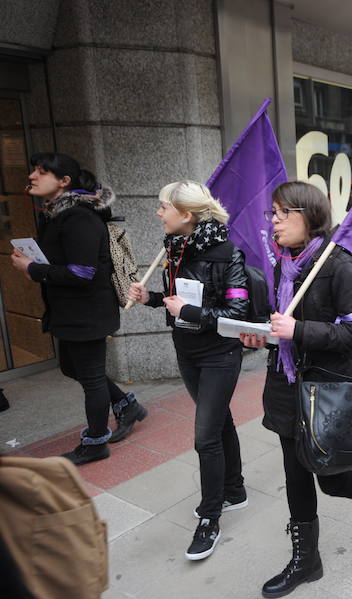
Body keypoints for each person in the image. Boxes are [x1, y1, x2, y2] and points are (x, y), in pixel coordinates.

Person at [240, 181, 352, 598]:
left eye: (282, 213)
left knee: (329, 478)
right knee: (296, 471)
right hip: (286, 381)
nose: (273, 221)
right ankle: (307, 561)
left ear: (309, 217)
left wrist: (299, 330)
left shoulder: (338, 265)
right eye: (271, 213)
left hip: (326, 390)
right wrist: (262, 334)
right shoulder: (285, 262)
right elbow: (281, 319)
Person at [126, 180, 248, 561]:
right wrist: (150, 299)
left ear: (187, 216)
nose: (158, 213)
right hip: (187, 351)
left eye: (164, 207)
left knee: (205, 437)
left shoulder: (228, 253)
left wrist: (189, 312)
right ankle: (235, 490)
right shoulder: (174, 248)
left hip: (219, 355)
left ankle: (210, 517)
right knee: (219, 423)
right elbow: (175, 301)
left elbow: (237, 315)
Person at [10, 153, 145, 465]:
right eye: (32, 170)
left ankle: (96, 442)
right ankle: (127, 405)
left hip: (88, 313)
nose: (31, 176)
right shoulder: (57, 215)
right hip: (70, 311)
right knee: (72, 367)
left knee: (92, 378)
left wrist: (33, 268)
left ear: (64, 181)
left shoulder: (78, 217)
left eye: (41, 172)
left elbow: (83, 273)